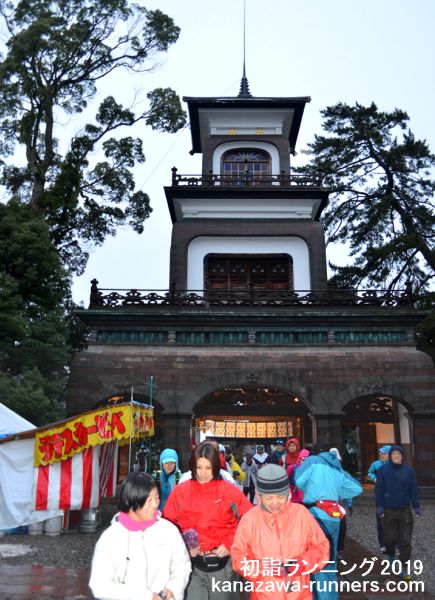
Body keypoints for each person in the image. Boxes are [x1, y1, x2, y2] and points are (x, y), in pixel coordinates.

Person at [163, 441, 253, 599]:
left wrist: (230, 542)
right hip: (191, 565)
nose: (203, 473)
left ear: (216, 467)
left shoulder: (228, 490)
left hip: (223, 565)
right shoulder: (180, 492)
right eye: (199, 467)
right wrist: (183, 545)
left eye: (208, 468)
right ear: (193, 466)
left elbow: (251, 520)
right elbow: (166, 526)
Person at [231, 464, 330, 599]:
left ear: (287, 493)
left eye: (280, 497)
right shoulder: (250, 519)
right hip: (264, 595)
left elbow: (322, 548)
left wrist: (302, 562)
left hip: (300, 594)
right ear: (260, 495)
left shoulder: (301, 514)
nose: (275, 503)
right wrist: (265, 568)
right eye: (269, 498)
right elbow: (238, 558)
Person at [89, 471, 191, 600]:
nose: (155, 504)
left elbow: (182, 564)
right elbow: (99, 585)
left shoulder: (168, 530)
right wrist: (145, 596)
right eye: (149, 500)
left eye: (157, 497)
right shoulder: (111, 538)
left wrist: (173, 589)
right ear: (131, 501)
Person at [295, 445, 362, 600]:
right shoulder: (337, 468)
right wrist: (337, 493)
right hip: (334, 518)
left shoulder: (312, 461)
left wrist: (311, 488)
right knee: (331, 562)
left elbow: (298, 481)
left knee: (318, 562)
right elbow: (357, 488)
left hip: (315, 515)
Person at [375, 445, 420, 579]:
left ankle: (404, 567)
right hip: (388, 510)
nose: (396, 456)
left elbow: (413, 489)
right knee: (389, 538)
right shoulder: (383, 470)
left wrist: (416, 505)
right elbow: (379, 489)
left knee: (405, 541)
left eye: (398, 454)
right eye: (393, 453)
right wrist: (379, 506)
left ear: (402, 456)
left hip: (405, 510)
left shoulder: (408, 471)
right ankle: (391, 556)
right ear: (390, 456)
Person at [367, 445, 392, 553]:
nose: (381, 454)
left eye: (384, 453)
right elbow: (370, 472)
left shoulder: (394, 465)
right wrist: (374, 479)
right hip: (380, 495)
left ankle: (394, 544)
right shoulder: (376, 464)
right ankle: (383, 544)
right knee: (381, 520)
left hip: (393, 496)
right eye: (380, 453)